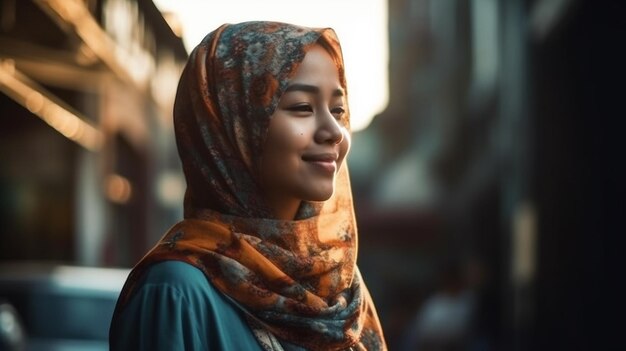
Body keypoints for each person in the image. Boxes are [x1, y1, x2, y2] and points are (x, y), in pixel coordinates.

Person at [109, 21, 387, 350]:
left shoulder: (341, 291)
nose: (334, 132)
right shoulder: (176, 293)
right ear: (231, 126)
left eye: (338, 110)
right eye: (302, 108)